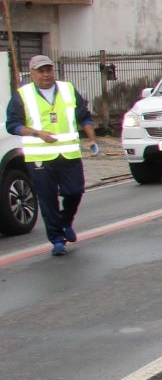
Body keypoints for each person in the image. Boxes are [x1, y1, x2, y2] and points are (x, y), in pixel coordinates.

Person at [6, 54, 99, 256]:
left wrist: (92, 139)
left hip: (69, 154)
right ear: (32, 74)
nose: (46, 74)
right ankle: (57, 239)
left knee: (74, 192)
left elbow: (84, 116)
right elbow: (12, 125)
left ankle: (66, 221)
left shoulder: (67, 89)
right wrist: (37, 133)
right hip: (39, 158)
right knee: (48, 199)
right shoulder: (22, 95)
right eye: (41, 71)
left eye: (48, 70)